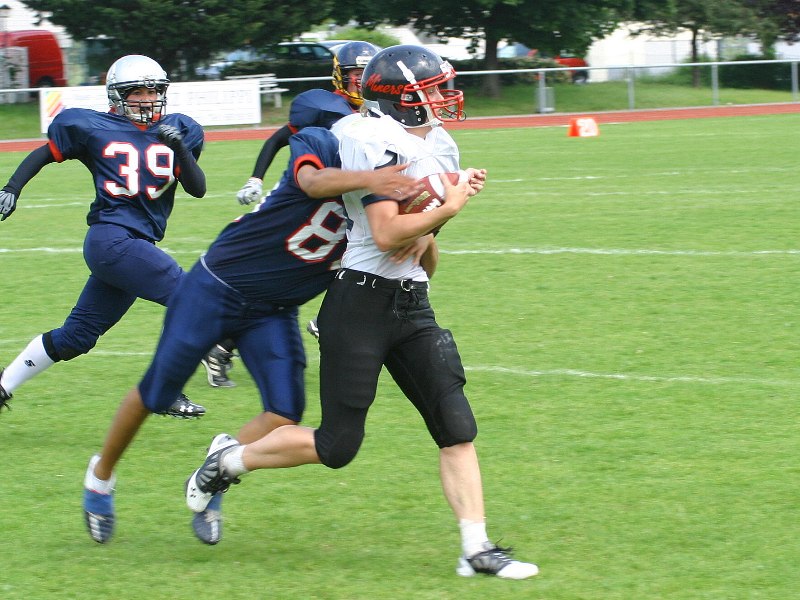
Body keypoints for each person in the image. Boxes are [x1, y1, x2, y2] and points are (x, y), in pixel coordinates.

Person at [185, 45, 538, 580]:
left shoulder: (440, 142)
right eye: (433, 89)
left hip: (411, 300)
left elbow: (420, 240)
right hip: (358, 302)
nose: (445, 97)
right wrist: (450, 204)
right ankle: (228, 461)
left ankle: (477, 549)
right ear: (401, 98)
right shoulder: (366, 136)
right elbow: (386, 231)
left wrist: (434, 227)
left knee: (455, 425)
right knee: (337, 445)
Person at [81, 126, 421, 544]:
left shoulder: (391, 190)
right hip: (214, 287)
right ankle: (100, 477)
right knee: (157, 391)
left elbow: (410, 256)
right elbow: (311, 182)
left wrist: (429, 224)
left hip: (273, 310)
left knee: (284, 412)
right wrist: (371, 179)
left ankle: (214, 470)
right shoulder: (325, 144)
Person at [0, 54, 223, 417]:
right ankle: (164, 391)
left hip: (131, 248)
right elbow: (44, 154)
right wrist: (12, 187)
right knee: (191, 298)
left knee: (77, 336)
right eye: (138, 92)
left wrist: (180, 147)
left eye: (153, 91)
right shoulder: (93, 126)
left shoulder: (179, 129)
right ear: (118, 96)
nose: (147, 99)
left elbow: (197, 189)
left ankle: (3, 385)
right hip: (113, 240)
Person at [235, 41, 379, 206]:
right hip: (309, 196)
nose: (362, 80)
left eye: (367, 74)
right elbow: (276, 140)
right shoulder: (323, 107)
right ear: (341, 75)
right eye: (357, 74)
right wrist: (256, 179)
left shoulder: (383, 110)